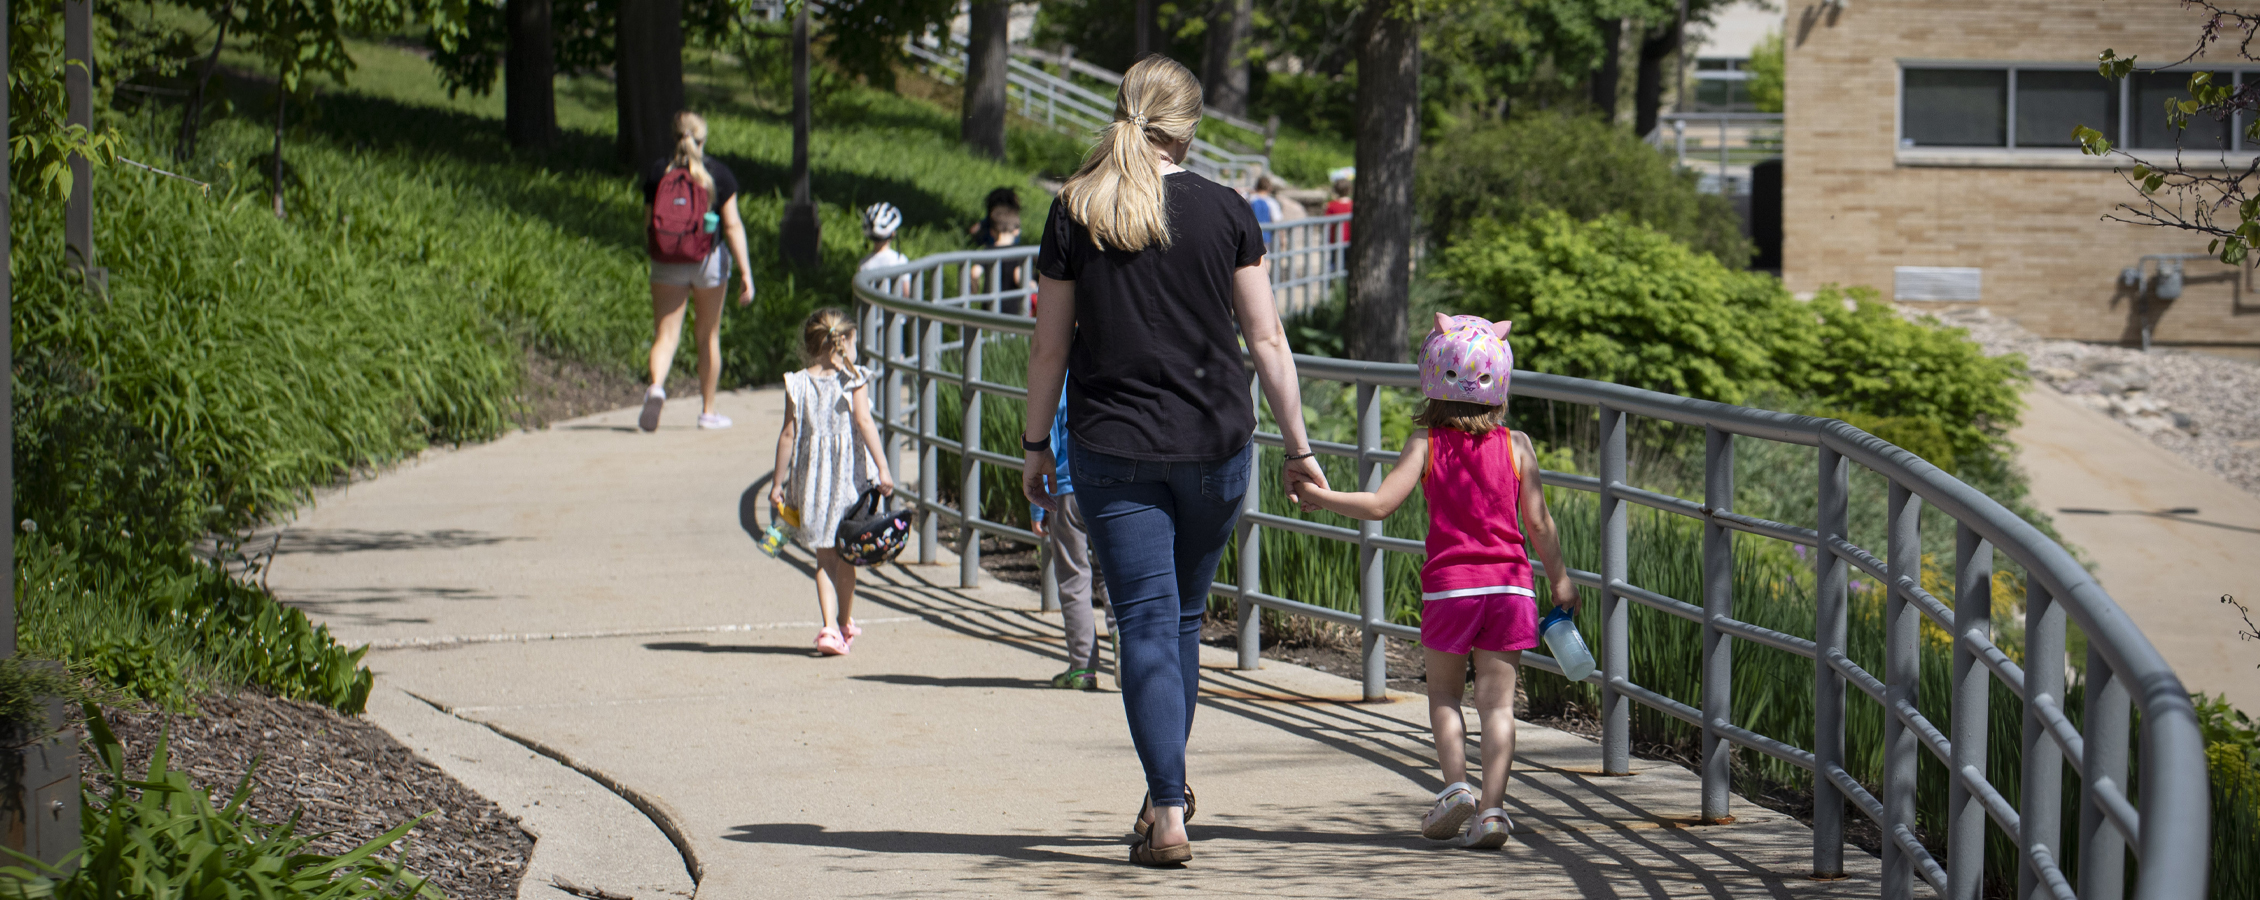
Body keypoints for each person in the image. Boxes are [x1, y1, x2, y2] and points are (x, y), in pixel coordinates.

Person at [1021, 54, 1328, 869]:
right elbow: (1266, 340)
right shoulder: (1227, 209)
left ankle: (1167, 806)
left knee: (1148, 626)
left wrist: (1029, 445)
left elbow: (1049, 347)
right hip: (1215, 444)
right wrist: (1300, 448)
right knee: (1184, 622)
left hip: (1111, 447)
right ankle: (1168, 797)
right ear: (1189, 125)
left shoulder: (1074, 210)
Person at [1292, 312, 1580, 851]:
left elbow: (1379, 505)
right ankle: (1493, 811)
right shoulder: (1517, 445)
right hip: (1511, 588)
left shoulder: (1426, 442)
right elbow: (1539, 522)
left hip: (1451, 589)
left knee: (1445, 697)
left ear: (1431, 376)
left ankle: (1455, 789)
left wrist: (1317, 497)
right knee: (1498, 707)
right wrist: (1560, 581)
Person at [772, 308, 897, 656]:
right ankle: (844, 622)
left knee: (825, 559)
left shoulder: (796, 382)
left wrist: (777, 482)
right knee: (847, 557)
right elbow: (864, 422)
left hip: (812, 481)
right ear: (843, 343)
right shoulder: (853, 379)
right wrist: (883, 468)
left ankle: (829, 628)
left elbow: (787, 435)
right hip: (848, 484)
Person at [639, 111, 755, 432]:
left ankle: (657, 387)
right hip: (709, 262)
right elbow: (731, 225)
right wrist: (746, 272)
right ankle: (708, 411)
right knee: (708, 335)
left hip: (666, 260)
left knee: (666, 334)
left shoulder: (657, 172)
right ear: (702, 139)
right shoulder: (718, 174)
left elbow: (650, 223)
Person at [1030, 393, 1114, 691]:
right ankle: (1129, 657)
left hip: (1064, 491)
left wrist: (1037, 506)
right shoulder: (1104, 374)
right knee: (1113, 575)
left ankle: (1082, 668)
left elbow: (1044, 443)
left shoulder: (1056, 384)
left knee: (1073, 577)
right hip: (1108, 491)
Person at [969, 189, 1027, 314]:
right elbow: (1018, 277)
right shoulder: (1019, 253)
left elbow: (975, 272)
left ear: (992, 231)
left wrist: (974, 291)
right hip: (1012, 309)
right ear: (1016, 231)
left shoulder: (988, 251)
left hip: (989, 308)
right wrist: (1032, 286)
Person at [859, 202, 911, 297]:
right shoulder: (900, 260)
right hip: (896, 310)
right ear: (893, 233)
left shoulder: (863, 264)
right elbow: (906, 294)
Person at [1323, 171, 1354, 248]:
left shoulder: (1331, 205)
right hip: (1351, 240)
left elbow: (1326, 222)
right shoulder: (1353, 205)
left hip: (1336, 241)